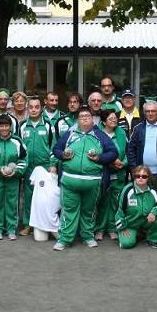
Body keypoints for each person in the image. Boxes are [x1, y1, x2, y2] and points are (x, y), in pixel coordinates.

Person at [51, 107, 117, 250]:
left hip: (93, 182)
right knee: (68, 211)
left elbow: (113, 153)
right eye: (81, 116)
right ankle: (64, 239)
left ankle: (88, 236)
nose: (85, 118)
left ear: (93, 120)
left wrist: (99, 158)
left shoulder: (100, 135)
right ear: (78, 120)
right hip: (69, 181)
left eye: (87, 116)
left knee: (89, 211)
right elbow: (56, 149)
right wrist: (63, 155)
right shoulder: (70, 134)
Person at [18, 98, 56, 236]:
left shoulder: (48, 125)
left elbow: (54, 146)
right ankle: (29, 224)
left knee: (46, 197)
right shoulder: (22, 125)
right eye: (31, 107)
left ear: (41, 109)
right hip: (28, 167)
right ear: (28, 109)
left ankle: (47, 225)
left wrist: (52, 165)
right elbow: (18, 147)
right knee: (28, 196)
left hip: (44, 166)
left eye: (37, 107)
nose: (34, 109)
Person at [0, 114, 27, 240]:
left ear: (11, 127)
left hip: (13, 179)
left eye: (6, 126)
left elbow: (24, 159)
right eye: (1, 126)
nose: (4, 128)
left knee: (12, 204)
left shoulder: (17, 141)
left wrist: (17, 171)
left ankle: (11, 229)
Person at [95, 108, 129, 241]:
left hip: (119, 173)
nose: (114, 120)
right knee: (102, 202)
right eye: (110, 119)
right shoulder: (97, 134)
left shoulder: (121, 133)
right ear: (103, 122)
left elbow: (128, 151)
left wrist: (123, 163)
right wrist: (109, 162)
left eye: (115, 118)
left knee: (115, 202)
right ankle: (100, 229)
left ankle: (113, 228)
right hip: (103, 173)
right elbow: (95, 154)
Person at [115, 166, 157, 249]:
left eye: (144, 176)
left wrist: (154, 212)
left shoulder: (153, 191)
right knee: (127, 244)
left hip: (146, 222)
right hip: (130, 224)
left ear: (148, 178)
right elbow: (119, 211)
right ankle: (133, 234)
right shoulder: (127, 191)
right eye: (137, 176)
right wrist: (122, 228)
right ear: (134, 177)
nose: (140, 178)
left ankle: (153, 238)